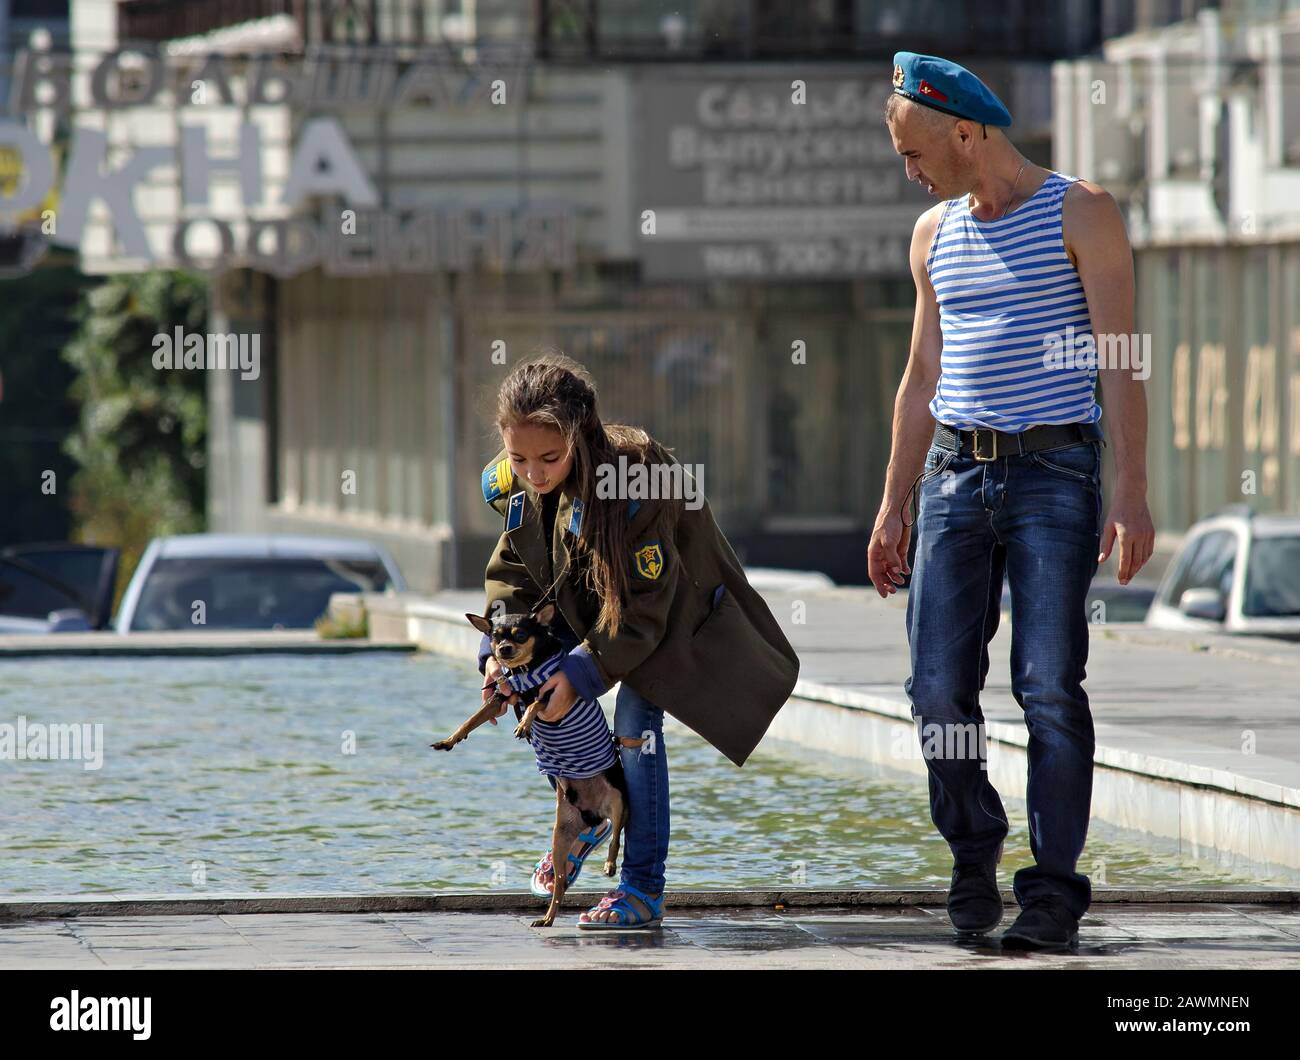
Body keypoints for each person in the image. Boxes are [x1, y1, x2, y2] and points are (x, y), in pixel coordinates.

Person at [868, 53, 1156, 951]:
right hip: (954, 475)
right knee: (936, 694)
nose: (907, 170)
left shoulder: (1083, 212)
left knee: (1047, 687)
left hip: (1055, 478)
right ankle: (973, 848)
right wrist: (892, 506)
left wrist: (1135, 492)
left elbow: (1120, 362)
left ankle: (1052, 897)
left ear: (965, 132)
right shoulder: (932, 234)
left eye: (915, 152)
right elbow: (921, 379)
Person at [476, 352, 800, 928]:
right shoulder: (519, 482)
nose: (535, 472)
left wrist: (581, 671)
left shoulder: (635, 480)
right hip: (594, 610)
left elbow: (647, 607)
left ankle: (642, 888)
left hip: (674, 616)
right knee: (536, 692)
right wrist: (496, 658)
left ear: (579, 437)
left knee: (633, 721)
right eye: (519, 457)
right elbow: (515, 575)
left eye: (550, 457)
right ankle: (590, 815)